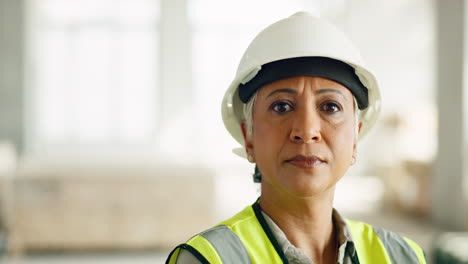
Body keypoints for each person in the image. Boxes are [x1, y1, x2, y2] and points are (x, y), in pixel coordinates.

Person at [166, 11, 427, 264]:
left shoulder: (402, 256)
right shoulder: (209, 259)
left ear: (355, 139)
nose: (306, 131)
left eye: (330, 107)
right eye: (281, 106)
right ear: (249, 138)